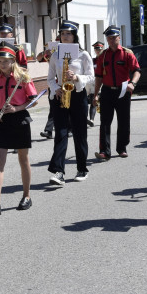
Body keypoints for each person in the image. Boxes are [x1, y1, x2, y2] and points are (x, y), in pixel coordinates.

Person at [0, 44, 37, 215]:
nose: (2, 64)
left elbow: (33, 100)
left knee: (23, 159)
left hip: (20, 119)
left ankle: (26, 196)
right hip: (3, 121)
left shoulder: (23, 78)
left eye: (5, 61)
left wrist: (17, 109)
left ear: (13, 61)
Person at [47, 21, 94, 184]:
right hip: (61, 95)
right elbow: (50, 78)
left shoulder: (83, 54)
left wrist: (77, 77)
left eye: (68, 33)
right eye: (62, 33)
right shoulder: (55, 55)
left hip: (78, 94)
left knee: (80, 133)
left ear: (74, 35)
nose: (65, 36)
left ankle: (82, 168)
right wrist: (55, 88)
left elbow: (91, 76)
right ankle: (58, 171)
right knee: (60, 133)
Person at [92, 26, 141, 160]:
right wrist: (95, 94)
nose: (112, 40)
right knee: (105, 122)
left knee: (123, 121)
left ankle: (122, 148)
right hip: (107, 91)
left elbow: (137, 70)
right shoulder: (103, 56)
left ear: (119, 37)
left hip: (123, 91)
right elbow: (99, 77)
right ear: (107, 40)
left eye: (114, 37)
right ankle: (104, 151)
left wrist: (133, 83)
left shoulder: (127, 53)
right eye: (109, 38)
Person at [0, 24, 28, 157]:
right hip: (1, 81)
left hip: (15, 81)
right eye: (1, 33)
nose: (3, 36)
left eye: (6, 34)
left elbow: (24, 67)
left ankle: (16, 145)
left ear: (12, 35)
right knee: (0, 115)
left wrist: (14, 75)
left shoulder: (18, 49)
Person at [36, 35, 60, 139]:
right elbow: (38, 58)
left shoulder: (71, 53)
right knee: (53, 108)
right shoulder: (52, 54)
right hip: (53, 83)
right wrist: (45, 52)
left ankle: (70, 129)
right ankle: (48, 130)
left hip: (66, 83)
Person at [88, 40, 104, 127]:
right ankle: (92, 120)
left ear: (102, 49)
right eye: (96, 49)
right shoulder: (92, 61)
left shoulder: (104, 59)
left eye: (99, 49)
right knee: (93, 101)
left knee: (103, 103)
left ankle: (104, 120)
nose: (98, 51)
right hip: (93, 84)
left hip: (103, 83)